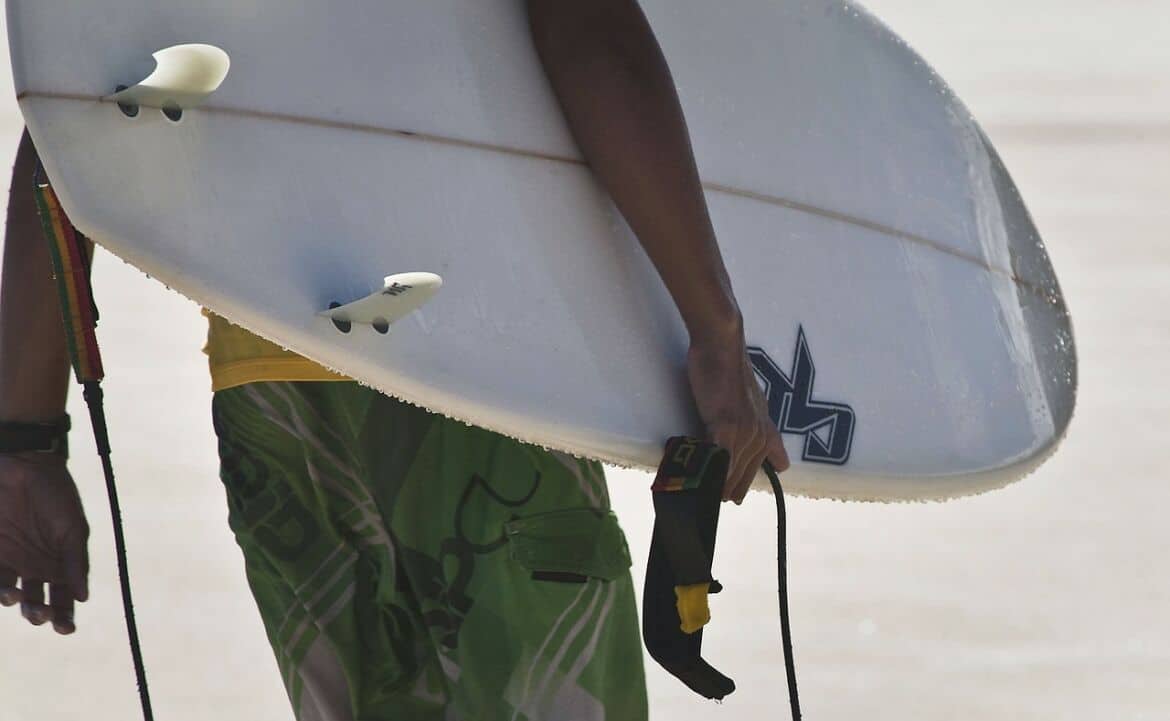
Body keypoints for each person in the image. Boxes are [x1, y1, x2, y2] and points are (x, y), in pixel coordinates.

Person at [0, 1, 789, 718]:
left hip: (272, 398)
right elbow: (591, 35)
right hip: (465, 369)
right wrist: (716, 332)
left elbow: (73, 104)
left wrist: (25, 439)